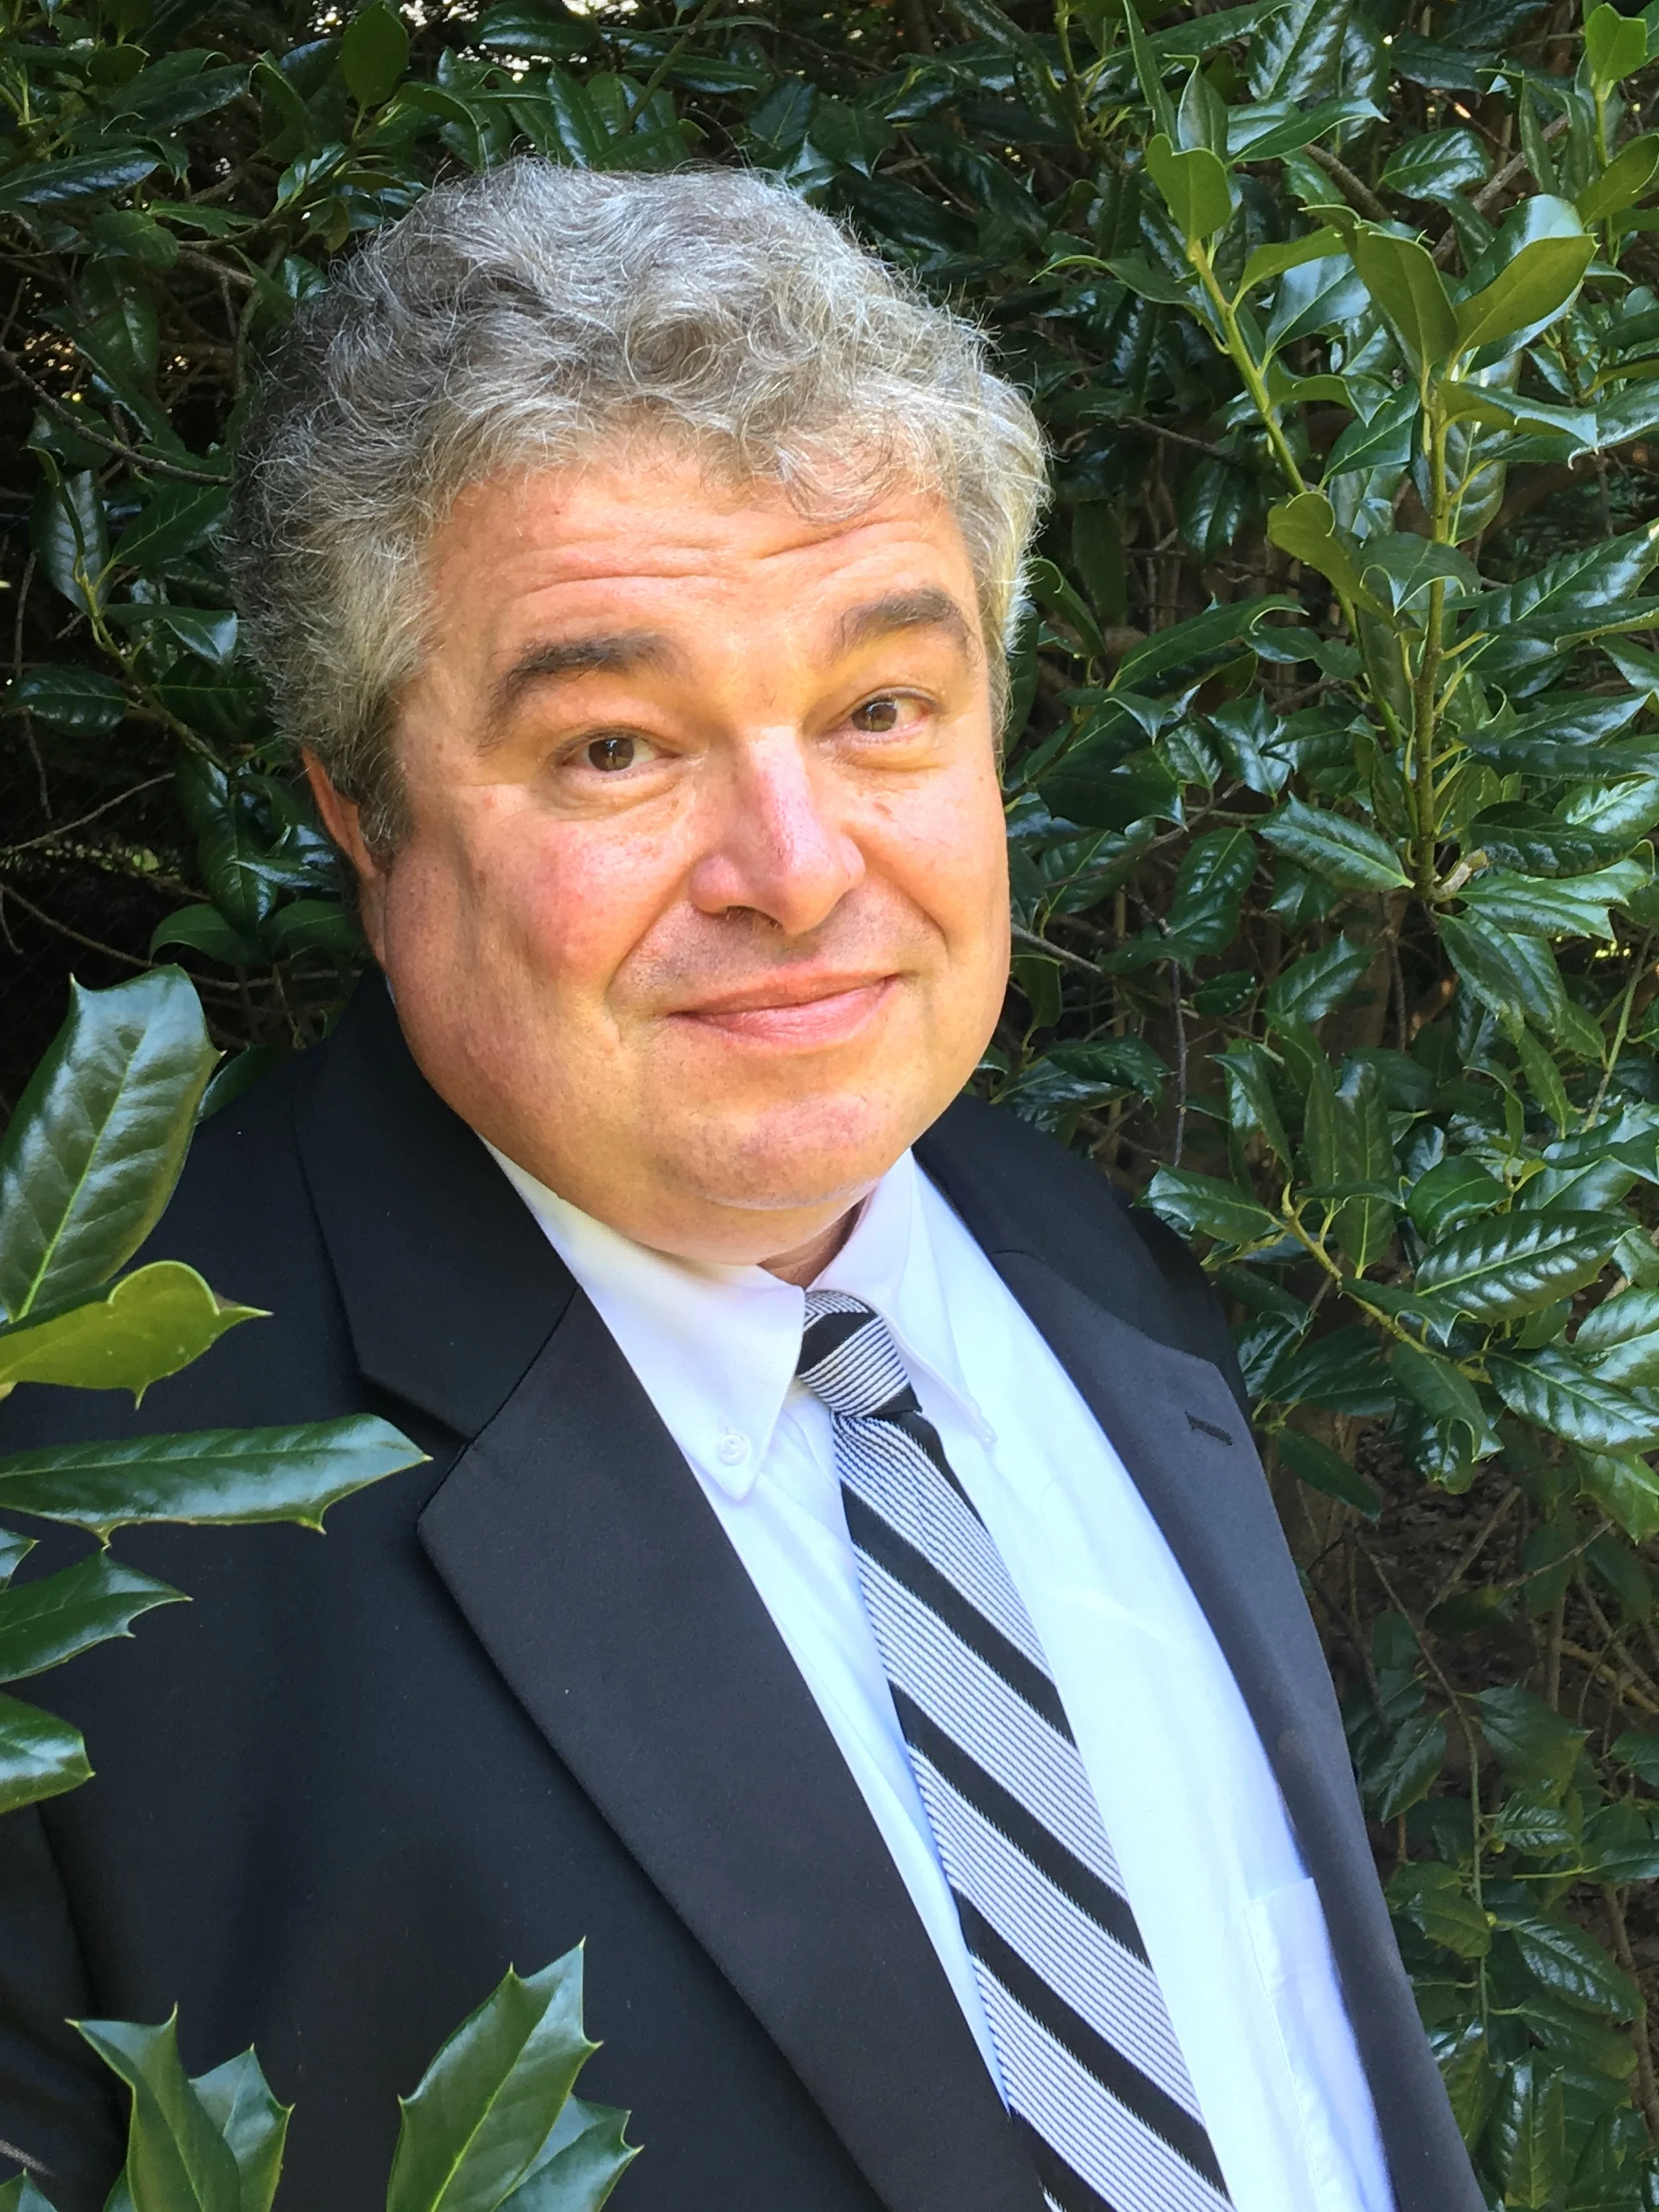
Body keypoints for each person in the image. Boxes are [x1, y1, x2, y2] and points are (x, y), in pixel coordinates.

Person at [0, 163, 1479, 2212]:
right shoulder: (74, 1532)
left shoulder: (1089, 1272)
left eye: (879, 708)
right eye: (617, 747)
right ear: (363, 806)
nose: (793, 866)